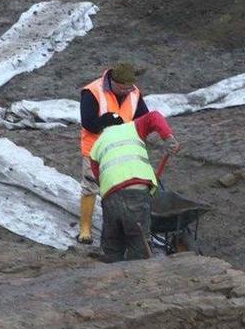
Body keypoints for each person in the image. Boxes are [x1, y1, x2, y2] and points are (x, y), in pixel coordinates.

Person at [89, 110, 180, 262]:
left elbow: (98, 177)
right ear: (122, 123)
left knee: (112, 244)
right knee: (139, 244)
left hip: (110, 197)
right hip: (136, 192)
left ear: (101, 130)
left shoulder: (96, 145)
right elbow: (154, 116)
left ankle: (110, 270)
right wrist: (168, 137)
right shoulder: (132, 128)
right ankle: (138, 278)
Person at [77, 62, 150, 244]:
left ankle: (122, 227)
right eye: (123, 87)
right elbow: (88, 123)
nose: (127, 91)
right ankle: (85, 228)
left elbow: (143, 118)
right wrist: (108, 121)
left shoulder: (133, 93)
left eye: (129, 87)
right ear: (113, 82)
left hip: (122, 148)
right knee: (90, 185)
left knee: (121, 186)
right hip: (95, 148)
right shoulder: (92, 91)